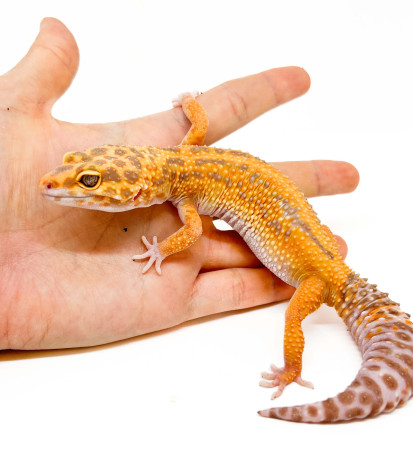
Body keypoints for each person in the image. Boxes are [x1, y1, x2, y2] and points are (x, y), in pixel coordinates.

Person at [0, 18, 359, 350]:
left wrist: (160, 251)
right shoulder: (183, 154)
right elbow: (198, 125)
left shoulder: (183, 191)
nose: (50, 183)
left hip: (304, 250)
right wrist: (189, 101)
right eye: (77, 169)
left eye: (88, 182)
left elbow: (191, 235)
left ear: (139, 193)